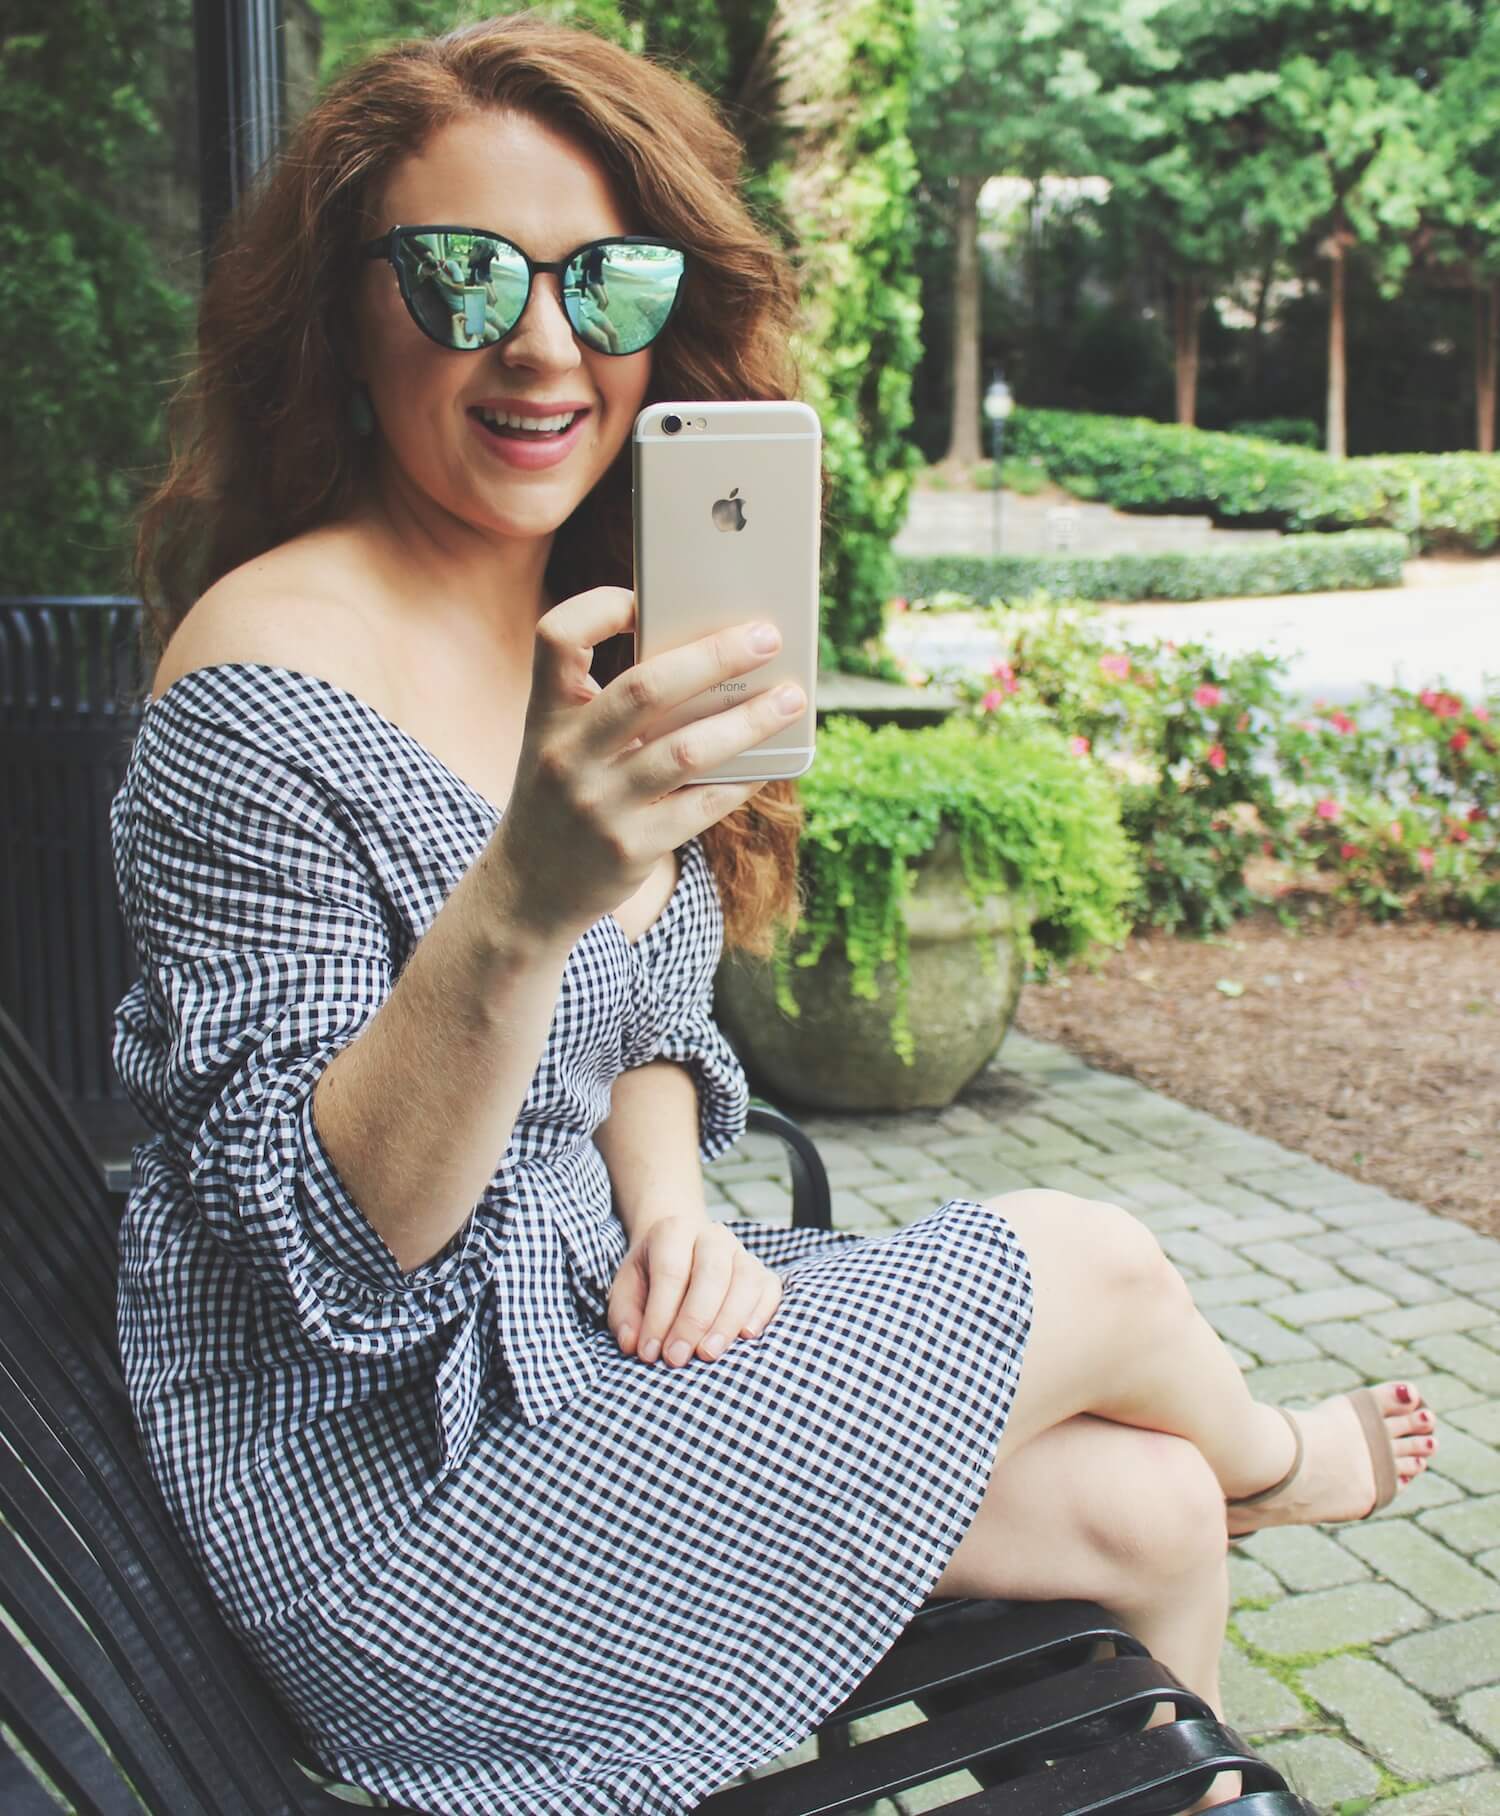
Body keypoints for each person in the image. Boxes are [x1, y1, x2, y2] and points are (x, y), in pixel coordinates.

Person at [112, 15, 1438, 1815]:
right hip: (395, 1500)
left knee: (1146, 1508)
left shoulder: (589, 620)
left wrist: (672, 1210)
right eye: (462, 274)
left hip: (585, 1345)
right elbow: (329, 1260)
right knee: (1099, 1266)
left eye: (607, 281)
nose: (542, 341)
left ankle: (1211, 1564)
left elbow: (644, 1018)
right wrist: (517, 905)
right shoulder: (264, 680)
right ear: (345, 313)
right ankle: (1283, 1462)